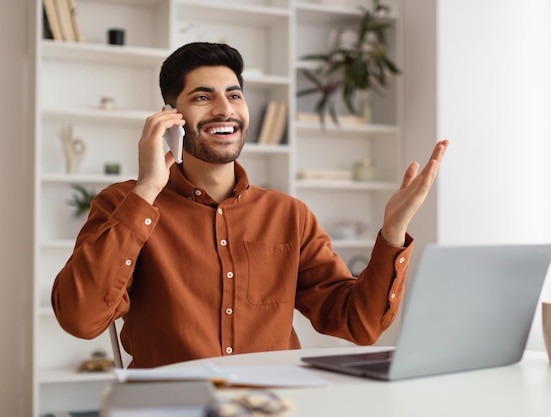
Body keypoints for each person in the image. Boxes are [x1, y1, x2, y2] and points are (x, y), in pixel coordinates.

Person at [51, 42, 448, 368]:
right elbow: (81, 319)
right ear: (171, 117)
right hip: (172, 406)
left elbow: (358, 324)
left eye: (234, 95)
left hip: (272, 404)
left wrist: (393, 232)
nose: (224, 109)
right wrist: (147, 190)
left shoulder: (289, 215)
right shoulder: (123, 204)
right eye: (203, 97)